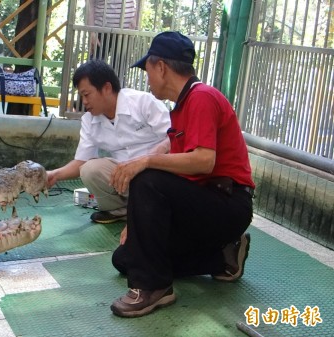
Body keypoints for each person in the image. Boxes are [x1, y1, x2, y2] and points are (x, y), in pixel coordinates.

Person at [109, 31, 255, 318]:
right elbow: (177, 168)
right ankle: (222, 257)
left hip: (228, 203)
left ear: (161, 66)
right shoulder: (183, 107)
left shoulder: (202, 97)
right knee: (126, 258)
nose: (147, 77)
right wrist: (138, 224)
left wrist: (146, 161)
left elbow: (203, 162)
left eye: (148, 69)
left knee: (147, 178)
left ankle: (154, 288)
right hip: (203, 204)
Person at [46, 59, 170, 224]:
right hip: (125, 178)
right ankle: (121, 210)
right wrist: (55, 174)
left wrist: (147, 160)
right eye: (81, 96)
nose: (84, 102)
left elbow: (173, 137)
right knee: (89, 169)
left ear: (106, 88)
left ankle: (154, 209)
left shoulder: (143, 102)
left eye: (87, 94)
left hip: (156, 174)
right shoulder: (89, 121)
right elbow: (82, 161)